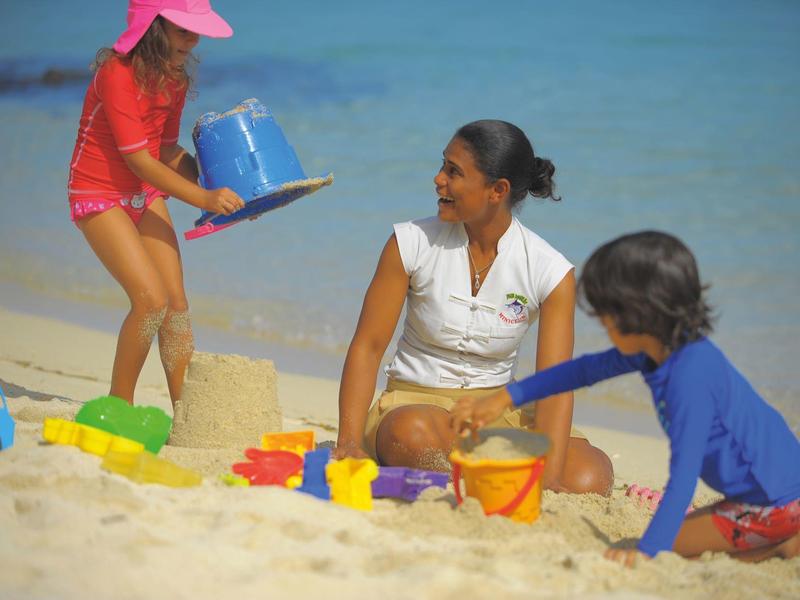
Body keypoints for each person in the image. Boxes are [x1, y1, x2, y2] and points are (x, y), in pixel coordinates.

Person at [451, 231, 800, 565]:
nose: (602, 323)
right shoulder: (658, 349)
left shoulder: (688, 376)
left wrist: (647, 552)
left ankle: (782, 548)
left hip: (775, 502)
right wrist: (505, 398)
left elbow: (683, 475)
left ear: (637, 312)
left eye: (606, 314)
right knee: (677, 537)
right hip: (769, 492)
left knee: (672, 547)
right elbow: (582, 371)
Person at [335, 120, 614, 495]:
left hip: (499, 412)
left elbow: (555, 387)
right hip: (417, 407)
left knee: (590, 476)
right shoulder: (410, 243)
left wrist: (549, 477)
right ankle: (493, 477)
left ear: (497, 190)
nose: (438, 179)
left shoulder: (550, 271)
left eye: (454, 172)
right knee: (410, 436)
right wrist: (350, 442)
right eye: (442, 166)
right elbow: (367, 347)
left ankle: (482, 474)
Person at [67, 0, 244, 406]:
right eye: (183, 29)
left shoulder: (173, 79)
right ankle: (118, 405)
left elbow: (164, 150)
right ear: (152, 26)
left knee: (176, 305)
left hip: (142, 192)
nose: (193, 39)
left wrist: (226, 186)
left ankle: (186, 411)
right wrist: (204, 198)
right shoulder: (117, 74)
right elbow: (138, 160)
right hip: (97, 193)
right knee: (150, 302)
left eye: (195, 30)